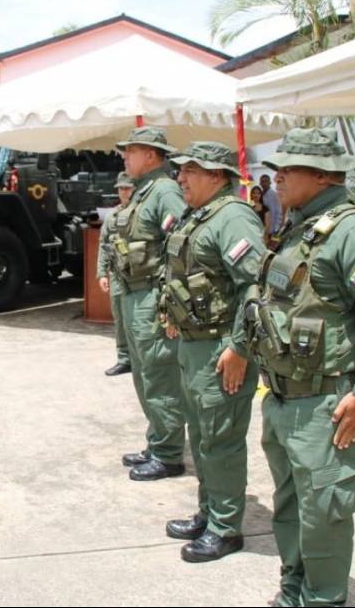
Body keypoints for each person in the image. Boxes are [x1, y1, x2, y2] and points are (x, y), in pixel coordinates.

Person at [247, 128, 355, 606]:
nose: (276, 178)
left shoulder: (352, 231)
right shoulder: (302, 226)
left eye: (287, 170)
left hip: (327, 404)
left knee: (324, 513)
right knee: (290, 508)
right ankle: (294, 588)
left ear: (322, 176)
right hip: (285, 397)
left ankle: (323, 598)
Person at [160, 142, 265, 562]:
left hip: (222, 349)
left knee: (220, 439)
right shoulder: (201, 214)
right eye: (181, 170)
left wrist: (239, 347)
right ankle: (209, 513)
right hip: (194, 345)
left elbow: (256, 288)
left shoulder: (234, 217)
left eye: (191, 170)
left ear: (218, 176)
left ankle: (226, 528)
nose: (181, 178)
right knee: (202, 436)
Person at [113, 127, 187, 481]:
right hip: (133, 292)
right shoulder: (145, 192)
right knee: (143, 374)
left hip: (152, 296)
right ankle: (158, 440)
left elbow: (181, 248)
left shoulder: (166, 191)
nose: (125, 156)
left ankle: (169, 453)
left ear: (152, 156)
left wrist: (168, 303)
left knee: (159, 374)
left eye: (132, 151)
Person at [97, 173, 134, 376]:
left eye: (127, 188)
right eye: (121, 188)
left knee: (138, 319)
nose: (124, 192)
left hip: (139, 275)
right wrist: (102, 273)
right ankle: (124, 358)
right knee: (120, 318)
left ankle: (141, 359)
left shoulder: (141, 212)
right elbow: (104, 245)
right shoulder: (112, 216)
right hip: (118, 275)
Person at [260, 173, 282, 239]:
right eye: (262, 182)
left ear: (270, 182)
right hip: (263, 229)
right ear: (260, 183)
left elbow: (279, 212)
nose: (264, 183)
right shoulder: (260, 195)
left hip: (272, 230)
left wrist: (276, 228)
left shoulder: (274, 195)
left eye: (266, 181)